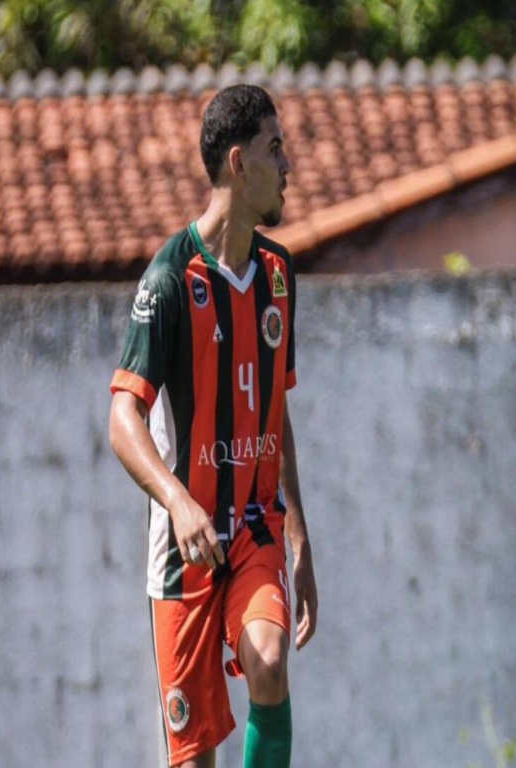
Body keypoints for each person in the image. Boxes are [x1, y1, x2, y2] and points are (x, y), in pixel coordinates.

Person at [108, 83, 318, 768]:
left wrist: (298, 532)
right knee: (195, 760)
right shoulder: (170, 279)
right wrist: (178, 500)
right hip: (184, 555)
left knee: (269, 664)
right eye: (275, 148)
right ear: (238, 162)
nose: (289, 165)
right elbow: (122, 417)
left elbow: (274, 409)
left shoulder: (280, 275)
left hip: (255, 525)